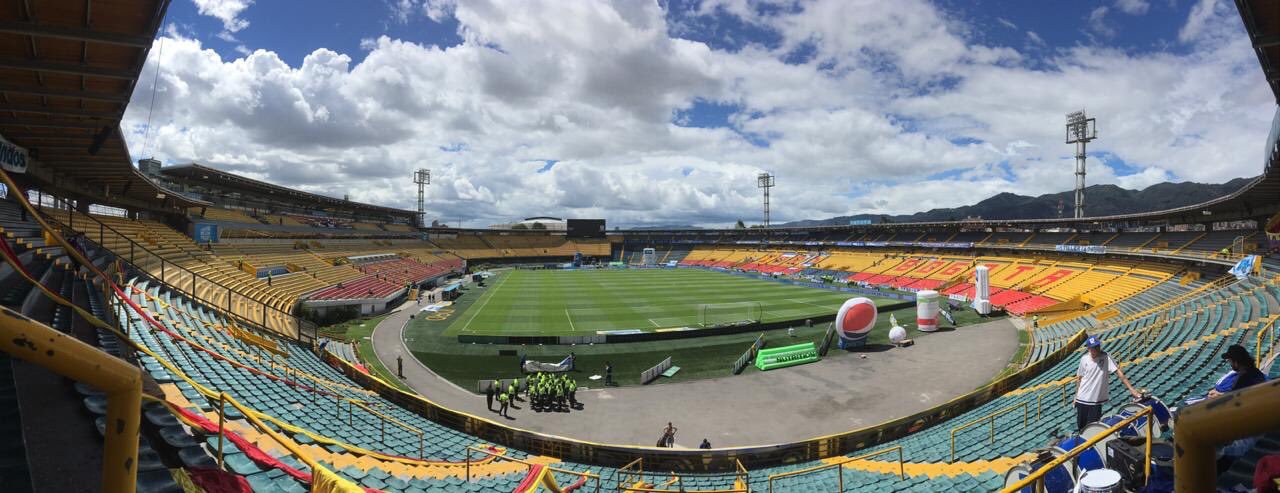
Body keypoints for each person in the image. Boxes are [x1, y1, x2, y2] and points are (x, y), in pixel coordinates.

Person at [1215, 344, 1268, 474]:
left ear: (1236, 362)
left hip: (1248, 433)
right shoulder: (1256, 373)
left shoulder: (1244, 378)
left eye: (1230, 361)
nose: (1230, 364)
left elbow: (1233, 404)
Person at [1074, 335, 1140, 431]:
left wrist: (1132, 389)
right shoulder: (1084, 359)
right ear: (1088, 348)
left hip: (1095, 401)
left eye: (1097, 346)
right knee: (1081, 427)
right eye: (1093, 348)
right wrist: (1076, 396)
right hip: (1082, 399)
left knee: (1093, 429)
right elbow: (1079, 378)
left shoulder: (1106, 357)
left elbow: (1119, 373)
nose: (1096, 349)